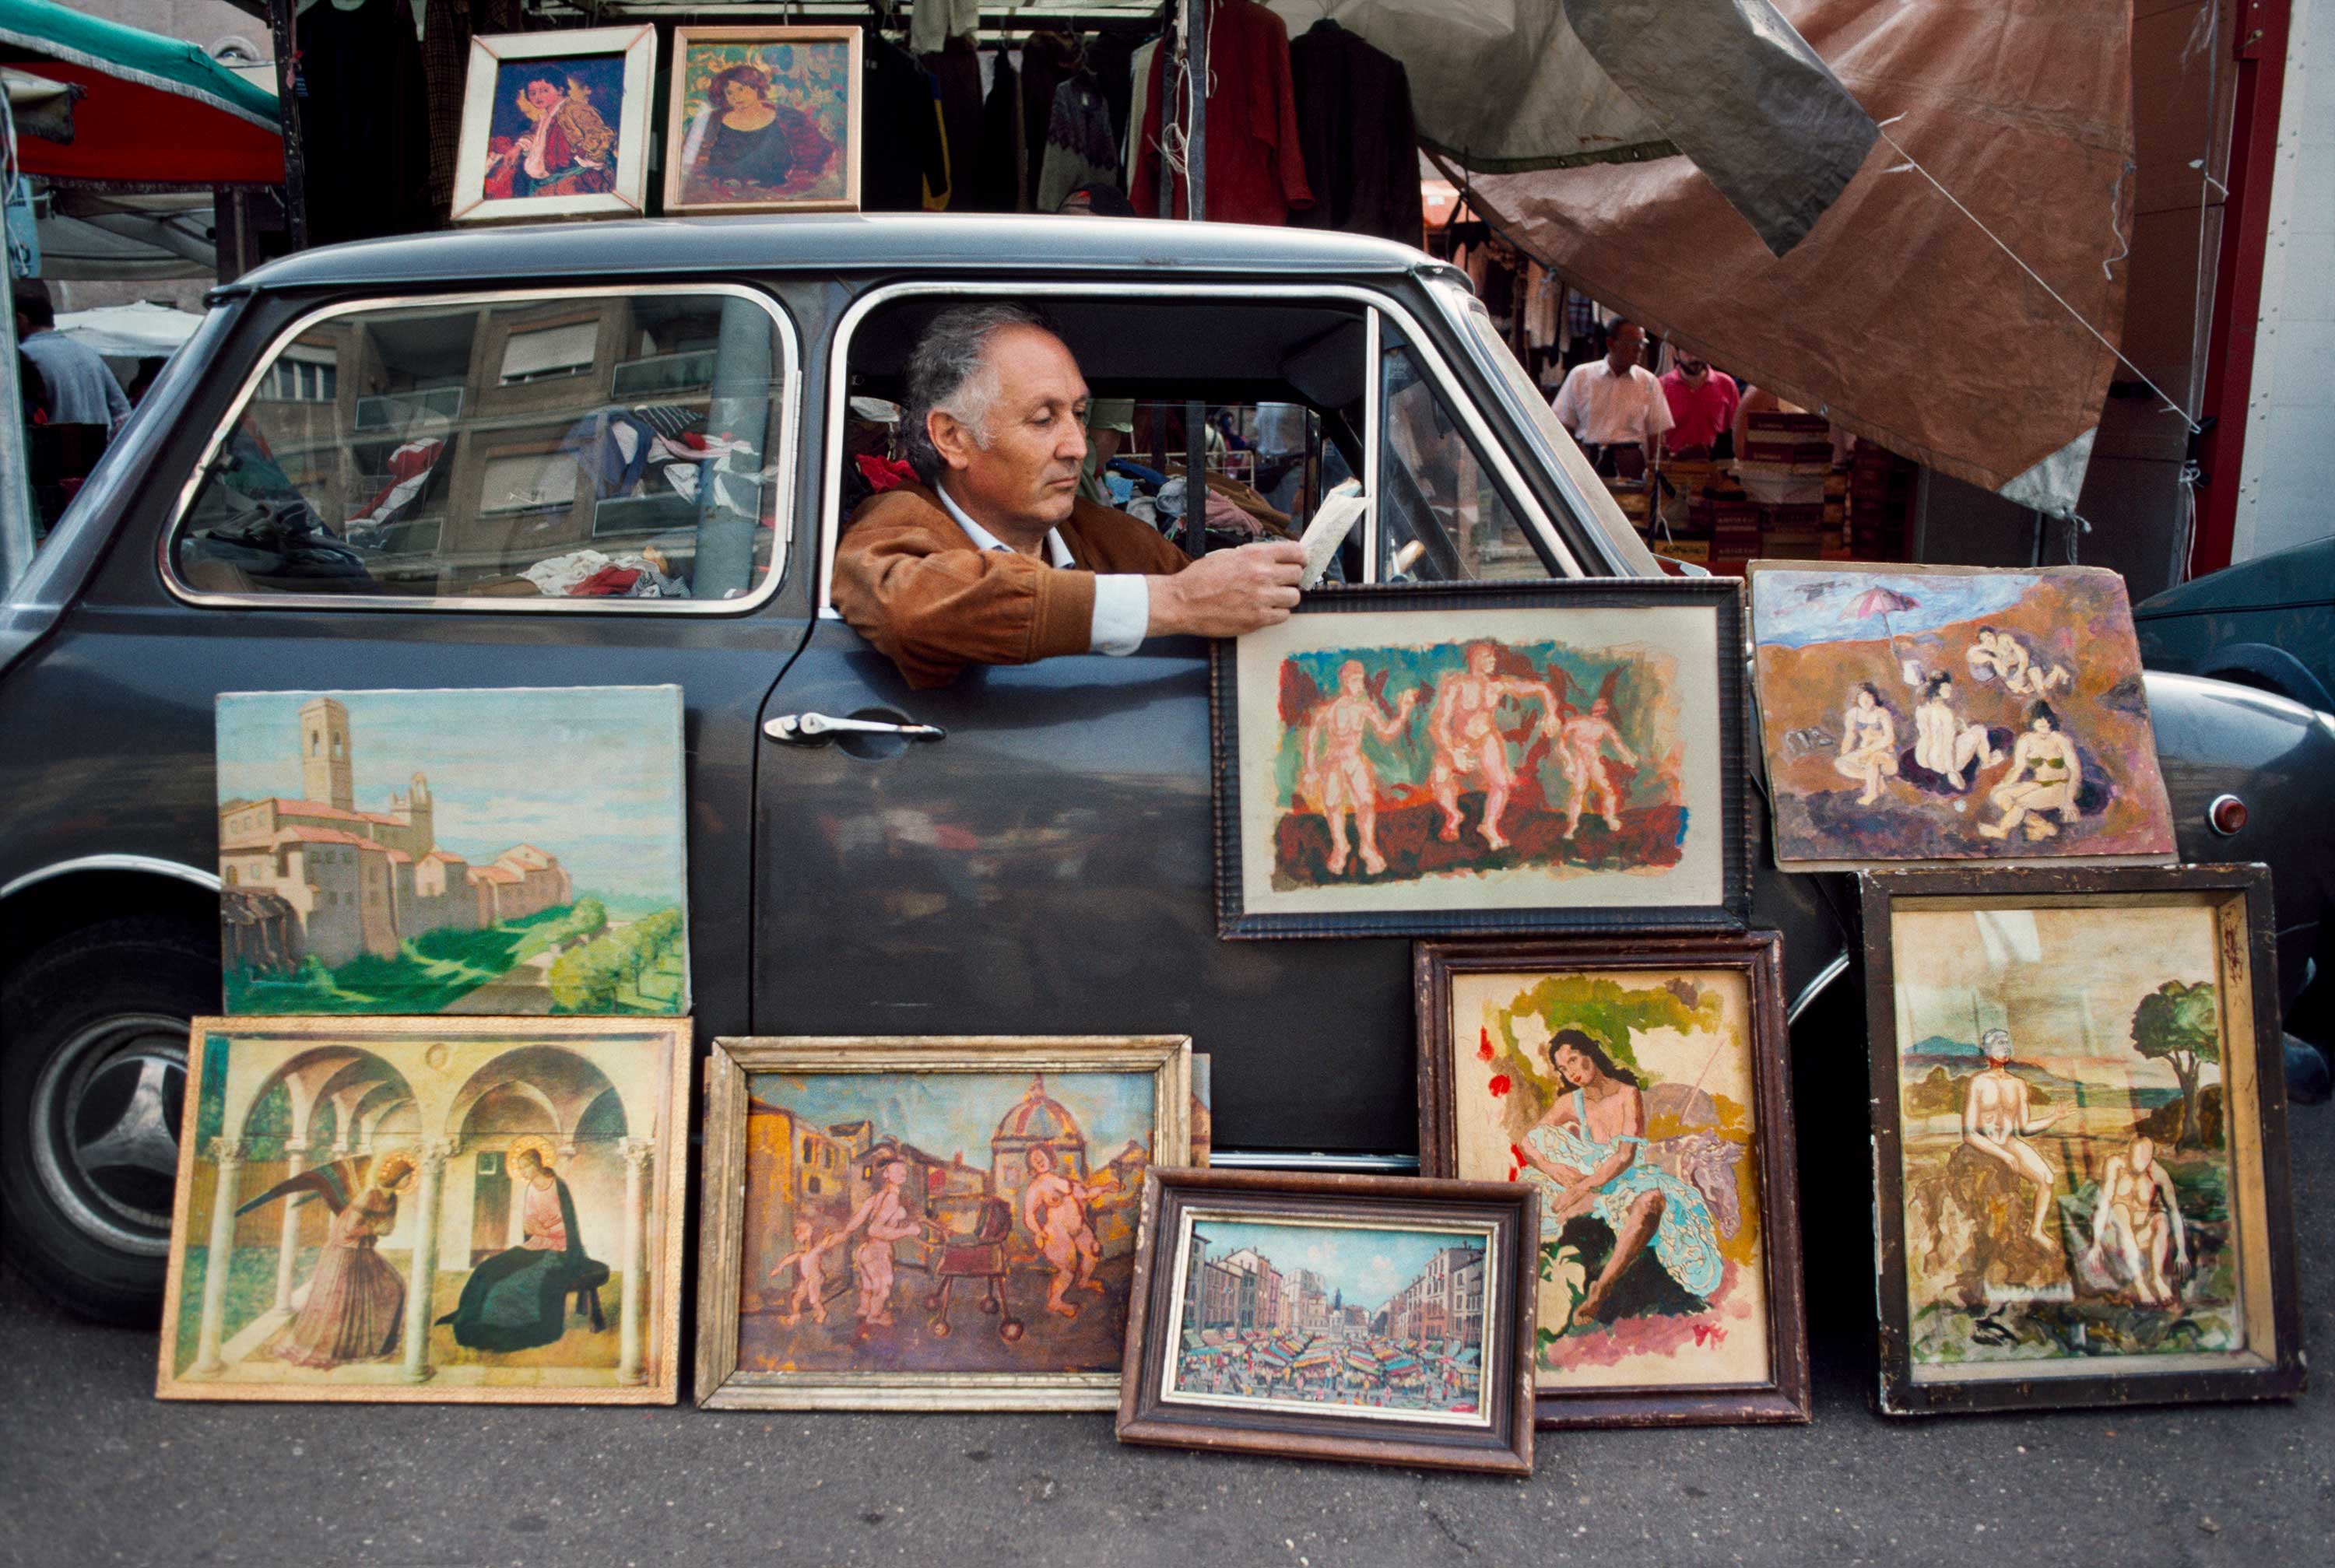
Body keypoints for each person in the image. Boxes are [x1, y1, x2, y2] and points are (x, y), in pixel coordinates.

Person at [831, 303, 1307, 689]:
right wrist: (1175, 600)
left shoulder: (1104, 534)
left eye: (1079, 414)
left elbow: (1218, 603)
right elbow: (913, 610)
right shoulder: (895, 523)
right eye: (1043, 420)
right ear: (952, 437)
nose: (1077, 446)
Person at [1515, 1030, 1722, 1329]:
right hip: (1588, 1184)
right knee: (1544, 1189)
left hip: (1626, 1178)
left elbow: (1625, 1156)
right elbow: (1528, 1142)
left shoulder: (1627, 1094)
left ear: (1591, 1053)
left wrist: (1582, 1187)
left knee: (1651, 1203)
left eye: (1574, 1060)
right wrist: (1555, 1170)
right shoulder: (1571, 1103)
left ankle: (1603, 1286)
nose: (1571, 1071)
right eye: (1563, 1068)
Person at [437, 1142, 610, 1352]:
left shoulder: (558, 1186)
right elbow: (529, 1224)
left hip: (559, 1249)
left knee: (509, 1285)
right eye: (520, 1168)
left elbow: (568, 1224)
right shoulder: (531, 1189)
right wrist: (542, 1229)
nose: (522, 1172)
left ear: (536, 1164)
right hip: (535, 1244)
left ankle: (492, 1327)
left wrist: (547, 1230)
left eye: (524, 1167)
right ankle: (469, 1315)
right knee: (487, 1269)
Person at [265, 1152, 416, 1370]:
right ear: (396, 1176)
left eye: (411, 1177)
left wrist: (381, 1229)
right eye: (407, 1176)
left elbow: (388, 1228)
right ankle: (334, 1350)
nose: (409, 1180)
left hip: (363, 1252)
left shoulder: (392, 1199)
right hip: (345, 1253)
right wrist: (373, 1228)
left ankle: (370, 1346)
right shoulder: (369, 1196)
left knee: (394, 1286)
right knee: (341, 1302)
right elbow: (345, 1231)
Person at [1428, 642, 1563, 852]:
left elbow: (1541, 688)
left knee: (1500, 783)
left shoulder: (1498, 685)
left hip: (1486, 738)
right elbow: (1438, 723)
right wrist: (1452, 751)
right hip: (1458, 740)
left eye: (1494, 658)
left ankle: (1489, 825)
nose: (1494, 662)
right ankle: (1453, 815)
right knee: (1439, 777)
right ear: (1475, 659)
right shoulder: (1456, 684)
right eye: (1488, 657)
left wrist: (1552, 713)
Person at [1300, 660, 1420, 876]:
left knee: (1365, 803)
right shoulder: (1327, 709)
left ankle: (1368, 847)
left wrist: (1403, 713)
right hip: (1333, 762)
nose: (1360, 685)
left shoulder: (1365, 707)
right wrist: (1309, 771)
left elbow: (1386, 733)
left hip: (1356, 761)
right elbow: (1310, 740)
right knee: (1333, 804)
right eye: (1355, 680)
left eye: (1361, 679)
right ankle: (1340, 847)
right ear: (1345, 680)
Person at [1961, 1028, 2062, 1246]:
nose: (2004, 1047)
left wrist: (2053, 1118)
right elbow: (1969, 1133)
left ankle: (2035, 1231)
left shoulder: (2018, 1084)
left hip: (2009, 1141)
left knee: (2047, 1178)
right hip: (1984, 1143)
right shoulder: (1978, 1082)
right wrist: (2002, 1155)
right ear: (1987, 1051)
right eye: (1998, 1044)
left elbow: (2024, 1127)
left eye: (2006, 1043)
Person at [1547, 317, 1672, 478]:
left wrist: (1653, 473)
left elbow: (1656, 434)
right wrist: (1572, 459)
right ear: (1611, 343)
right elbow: (1560, 423)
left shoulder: (1648, 382)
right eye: (1633, 343)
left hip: (1631, 462)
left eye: (1642, 343)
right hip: (1588, 460)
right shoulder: (1581, 375)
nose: (1639, 349)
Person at [13, 283, 129, 433]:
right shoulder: (88, 353)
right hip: (102, 453)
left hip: (55, 451)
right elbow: (123, 412)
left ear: (21, 319)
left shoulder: (22, 357)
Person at [2086, 1134, 2186, 1307]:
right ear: (2129, 1152)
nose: (2136, 1165)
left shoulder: (2158, 1174)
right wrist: (2095, 1243)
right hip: (2117, 1233)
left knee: (2162, 1220)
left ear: (2149, 1159)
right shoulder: (2115, 1165)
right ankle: (2140, 1283)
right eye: (2133, 1158)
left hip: (2143, 1235)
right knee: (2120, 1210)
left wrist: (2182, 1251)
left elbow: (2174, 1211)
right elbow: (2104, 1203)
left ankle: (2156, 1278)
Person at [495, 75, 616, 198]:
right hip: (546, 184)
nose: (538, 97)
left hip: (572, 182)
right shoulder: (545, 118)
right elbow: (537, 138)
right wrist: (518, 147)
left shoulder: (574, 109)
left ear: (560, 90)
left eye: (544, 91)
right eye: (532, 93)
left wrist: (586, 160)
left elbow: (601, 135)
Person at [683, 64, 796, 196]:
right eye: (730, 93)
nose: (735, 97)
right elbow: (700, 158)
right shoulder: (716, 120)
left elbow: (794, 155)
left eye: (741, 89)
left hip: (773, 183)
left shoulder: (781, 117)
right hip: (729, 184)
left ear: (756, 88)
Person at [1020, 1145, 1104, 1318]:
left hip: (1078, 1227)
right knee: (1068, 1269)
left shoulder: (1063, 1180)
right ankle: (1055, 1302)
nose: (1039, 1161)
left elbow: (1086, 1194)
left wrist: (1106, 1189)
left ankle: (1085, 1281)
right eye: (1034, 1160)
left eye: (1041, 1156)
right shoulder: (1037, 1187)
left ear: (1050, 1157)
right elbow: (1029, 1214)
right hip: (1057, 1232)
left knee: (1093, 1251)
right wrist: (1038, 1232)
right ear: (1032, 1167)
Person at [1979, 702, 2083, 840]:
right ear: (2032, 720)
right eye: (2039, 718)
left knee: (2020, 803)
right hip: (2039, 784)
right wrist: (2004, 784)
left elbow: (2075, 771)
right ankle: (2044, 826)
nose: (2045, 722)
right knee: (1998, 794)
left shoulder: (2061, 739)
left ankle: (2002, 830)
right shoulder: (2026, 740)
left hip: (2061, 786)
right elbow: (2017, 768)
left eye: (2048, 719)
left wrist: (2069, 799)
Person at [843, 1156, 922, 1329]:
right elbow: (875, 1230)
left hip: (864, 1251)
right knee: (883, 1287)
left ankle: (864, 1310)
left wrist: (842, 1235)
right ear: (886, 1173)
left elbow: (855, 1222)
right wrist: (907, 1231)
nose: (903, 1173)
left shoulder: (877, 1197)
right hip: (878, 1252)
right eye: (897, 1170)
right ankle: (875, 1316)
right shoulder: (892, 1198)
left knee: (868, 1285)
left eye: (904, 1170)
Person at [1552, 696, 1640, 837]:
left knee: (1607, 789)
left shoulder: (1605, 726)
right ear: (1592, 706)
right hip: (1579, 760)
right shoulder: (1576, 722)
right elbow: (1561, 744)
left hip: (1594, 761)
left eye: (1604, 705)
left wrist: (1628, 756)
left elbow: (1617, 743)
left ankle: (1609, 817)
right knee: (1578, 791)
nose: (1601, 707)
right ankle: (1572, 826)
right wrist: (1568, 762)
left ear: (1605, 710)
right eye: (1598, 704)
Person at [1912, 672, 1999, 790]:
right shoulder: (1945, 712)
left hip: (1922, 758)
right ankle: (1986, 761)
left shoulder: (1921, 709)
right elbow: (1947, 744)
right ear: (1938, 689)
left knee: (1959, 726)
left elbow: (1928, 733)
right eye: (1946, 687)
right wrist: (1951, 771)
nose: (1950, 689)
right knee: (1979, 730)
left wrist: (1959, 726)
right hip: (1941, 763)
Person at [1657, 353, 1739, 458]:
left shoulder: (1727, 384)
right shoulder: (1662, 386)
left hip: (1716, 468)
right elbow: (1655, 438)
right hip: (1674, 468)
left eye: (1698, 351)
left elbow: (1737, 431)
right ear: (1676, 354)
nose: (1695, 357)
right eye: (1688, 351)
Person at [768, 1213, 843, 1326]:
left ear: (807, 1235)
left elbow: (825, 1242)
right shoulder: (802, 1254)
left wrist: (828, 1236)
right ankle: (796, 1315)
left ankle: (822, 1313)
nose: (798, 1237)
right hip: (807, 1279)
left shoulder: (816, 1250)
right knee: (796, 1299)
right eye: (797, 1235)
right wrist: (779, 1267)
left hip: (815, 1280)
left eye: (799, 1233)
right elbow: (789, 1259)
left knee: (814, 1301)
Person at [1834, 683, 1899, 805]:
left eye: (1869, 697)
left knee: (1873, 759)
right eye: (1861, 698)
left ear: (1874, 698)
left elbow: (1889, 738)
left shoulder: (1882, 713)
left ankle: (1872, 793)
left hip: (1885, 754)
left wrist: (1867, 751)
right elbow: (1850, 736)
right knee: (1840, 763)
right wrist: (1846, 755)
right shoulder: (1853, 714)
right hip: (1863, 752)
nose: (1865, 701)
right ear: (1857, 699)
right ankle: (1877, 779)